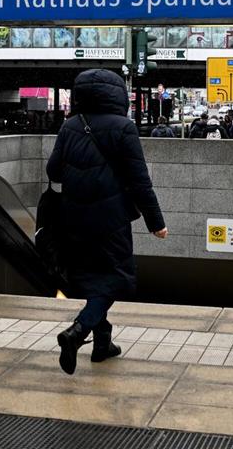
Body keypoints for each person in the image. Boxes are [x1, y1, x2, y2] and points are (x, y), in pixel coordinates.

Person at [46, 70, 167, 374]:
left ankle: (103, 344)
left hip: (74, 219)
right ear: (117, 95)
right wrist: (155, 222)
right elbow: (140, 181)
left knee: (89, 279)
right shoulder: (124, 128)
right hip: (111, 221)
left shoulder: (70, 126)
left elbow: (54, 172)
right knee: (114, 280)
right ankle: (78, 331)